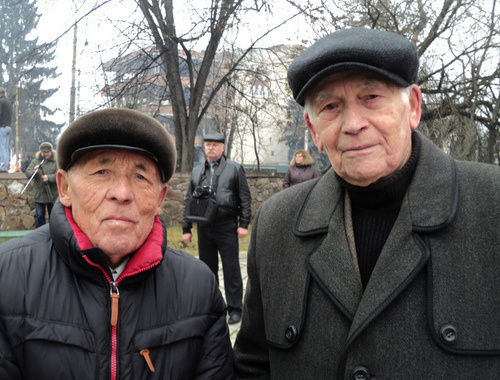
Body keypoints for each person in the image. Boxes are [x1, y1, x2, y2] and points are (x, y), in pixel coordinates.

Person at [234, 28, 499, 378]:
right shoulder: (276, 223)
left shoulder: (492, 205)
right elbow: (253, 366)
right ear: (314, 131)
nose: (353, 124)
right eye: (331, 106)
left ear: (414, 107)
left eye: (371, 97)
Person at [0, 108, 235, 379]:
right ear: (64, 188)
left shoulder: (199, 288)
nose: (122, 194)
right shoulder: (9, 278)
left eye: (140, 176)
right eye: (102, 171)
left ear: (160, 199)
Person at [182, 132, 252, 325]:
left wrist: (243, 224)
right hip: (204, 225)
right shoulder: (197, 171)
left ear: (222, 148)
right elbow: (189, 199)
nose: (210, 148)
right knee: (207, 270)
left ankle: (235, 309)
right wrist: (186, 228)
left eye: (214, 145)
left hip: (226, 224)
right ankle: (212, 307)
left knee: (231, 268)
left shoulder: (234, 168)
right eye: (208, 145)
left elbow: (245, 198)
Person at [25, 142, 59, 227]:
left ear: (51, 151)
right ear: (40, 152)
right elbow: (28, 173)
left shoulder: (56, 162)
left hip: (52, 194)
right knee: (39, 215)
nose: (45, 154)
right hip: (39, 194)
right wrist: (35, 171)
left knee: (53, 216)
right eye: (43, 152)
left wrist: (49, 177)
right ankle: (40, 232)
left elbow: (60, 174)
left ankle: (53, 232)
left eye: (47, 152)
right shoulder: (35, 161)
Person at [0, 86, 12, 173]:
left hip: (2, 126)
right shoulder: (8, 102)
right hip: (8, 126)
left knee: (2, 147)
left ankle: (3, 167)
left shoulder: (1, 101)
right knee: (6, 147)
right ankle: (6, 166)